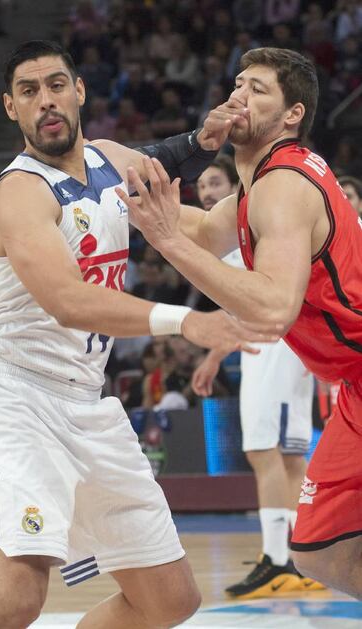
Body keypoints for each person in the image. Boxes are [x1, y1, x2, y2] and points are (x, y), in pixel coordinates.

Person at [0, 40, 279, 629]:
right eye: (29, 91)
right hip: (16, 400)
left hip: (87, 403)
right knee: (15, 602)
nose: (45, 100)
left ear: (79, 91)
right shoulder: (18, 192)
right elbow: (68, 300)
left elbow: (204, 233)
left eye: (55, 85)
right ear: (9, 107)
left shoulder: (107, 158)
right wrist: (188, 320)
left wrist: (271, 169)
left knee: (170, 600)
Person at [117, 47, 362, 599]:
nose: (238, 95)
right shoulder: (257, 187)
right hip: (353, 382)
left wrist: (164, 237)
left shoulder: (284, 185)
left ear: (292, 114)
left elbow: (273, 308)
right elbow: (204, 231)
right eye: (237, 83)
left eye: (258, 89)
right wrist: (118, 195)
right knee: (319, 548)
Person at [192, 155, 320, 599]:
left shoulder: (252, 220)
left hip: (277, 344)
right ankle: (296, 557)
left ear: (232, 187)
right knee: (284, 456)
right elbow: (238, 307)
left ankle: (280, 560)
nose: (207, 192)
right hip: (265, 345)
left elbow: (269, 297)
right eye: (202, 187)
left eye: (214, 183)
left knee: (269, 452)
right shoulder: (231, 239)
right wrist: (214, 357)